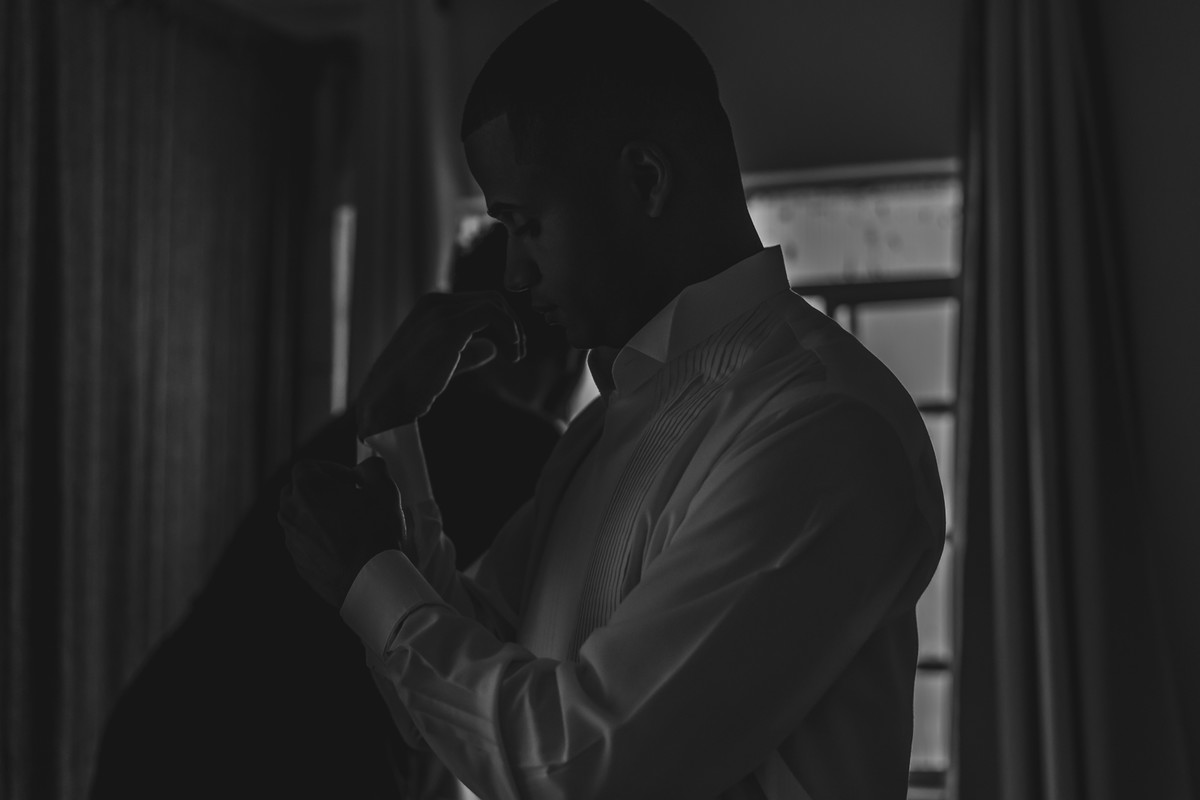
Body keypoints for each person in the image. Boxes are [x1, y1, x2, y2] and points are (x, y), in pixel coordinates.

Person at [278, 2, 946, 798]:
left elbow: (586, 768)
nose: (515, 277)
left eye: (526, 225)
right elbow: (444, 704)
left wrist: (368, 574)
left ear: (645, 180)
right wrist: (392, 432)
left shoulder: (825, 429)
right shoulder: (601, 429)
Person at [89, 223, 577, 799]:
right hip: (282, 757)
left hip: (168, 727)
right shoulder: (528, 452)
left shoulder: (379, 419)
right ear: (562, 361)